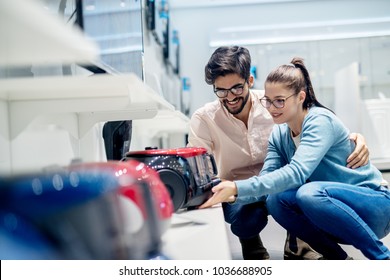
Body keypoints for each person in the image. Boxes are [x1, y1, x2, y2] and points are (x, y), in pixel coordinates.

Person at [188, 46, 370, 260]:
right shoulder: (204, 118)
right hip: (239, 191)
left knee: (300, 192)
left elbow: (318, 128)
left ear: (250, 81)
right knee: (247, 218)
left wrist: (356, 136)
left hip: (282, 182)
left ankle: (299, 245)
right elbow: (199, 171)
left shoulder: (273, 103)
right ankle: (251, 244)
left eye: (236, 88)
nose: (229, 97)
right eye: (221, 91)